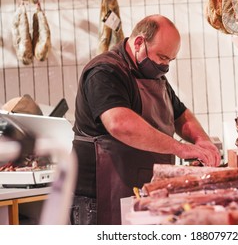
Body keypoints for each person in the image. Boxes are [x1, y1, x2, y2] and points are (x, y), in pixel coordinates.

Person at [70, 14, 221, 225]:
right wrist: (180, 148)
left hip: (138, 192)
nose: (165, 66)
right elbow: (120, 124)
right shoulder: (105, 71)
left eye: (170, 60)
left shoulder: (153, 74)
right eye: (162, 57)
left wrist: (201, 140)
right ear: (139, 42)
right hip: (97, 198)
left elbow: (180, 114)